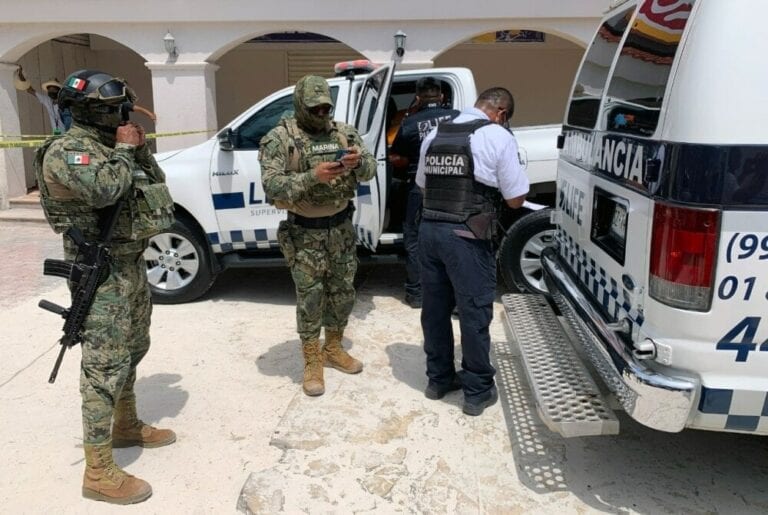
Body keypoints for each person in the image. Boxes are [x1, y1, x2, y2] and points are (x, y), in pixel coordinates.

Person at [34, 69, 176, 504]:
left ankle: (126, 424)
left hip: (131, 264)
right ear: (86, 111)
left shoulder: (112, 146)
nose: (122, 114)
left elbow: (155, 185)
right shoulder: (67, 151)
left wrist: (139, 150)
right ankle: (97, 472)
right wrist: (126, 149)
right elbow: (104, 191)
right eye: (113, 109)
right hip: (99, 273)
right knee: (102, 368)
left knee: (134, 347)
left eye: (122, 107)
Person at [260, 75, 376, 397]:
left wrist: (357, 162)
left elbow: (370, 169)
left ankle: (333, 348)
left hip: (341, 229)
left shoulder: (344, 133)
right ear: (300, 105)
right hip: (304, 233)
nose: (322, 114)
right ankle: (312, 360)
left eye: (326, 108)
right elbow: (272, 186)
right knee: (310, 298)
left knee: (343, 293)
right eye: (315, 109)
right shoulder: (279, 138)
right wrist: (313, 176)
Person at [415, 87, 528, 416]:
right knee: (474, 311)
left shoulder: (435, 133)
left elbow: (422, 184)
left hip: (430, 231)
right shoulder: (497, 135)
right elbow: (515, 199)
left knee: (435, 310)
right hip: (467, 235)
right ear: (501, 113)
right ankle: (477, 392)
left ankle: (438, 380)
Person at [389, 77, 459, 309]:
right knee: (454, 238)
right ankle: (455, 296)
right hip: (456, 187)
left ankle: (417, 294)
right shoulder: (458, 117)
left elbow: (397, 158)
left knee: (414, 238)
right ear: (442, 96)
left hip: (420, 188)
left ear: (418, 98)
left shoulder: (409, 124)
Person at [15, 66, 71, 133]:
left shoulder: (65, 103)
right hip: (57, 136)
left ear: (59, 90)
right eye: (50, 90)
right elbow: (30, 90)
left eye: (53, 90)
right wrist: (21, 75)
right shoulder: (48, 101)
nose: (51, 92)